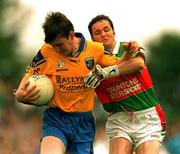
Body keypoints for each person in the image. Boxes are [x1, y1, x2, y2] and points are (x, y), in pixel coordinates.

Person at [14, 12, 141, 154]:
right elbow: (30, 72)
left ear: (71, 35)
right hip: (56, 118)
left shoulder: (96, 49)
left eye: (59, 44)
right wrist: (19, 93)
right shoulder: (46, 50)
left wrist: (129, 52)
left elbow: (119, 64)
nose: (56, 49)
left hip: (83, 121)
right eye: (53, 45)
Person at [85, 14, 166, 154]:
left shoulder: (129, 47)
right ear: (93, 40)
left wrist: (105, 72)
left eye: (106, 29)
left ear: (113, 32)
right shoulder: (91, 61)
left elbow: (139, 64)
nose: (103, 34)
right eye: (97, 33)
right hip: (119, 119)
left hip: (147, 118)